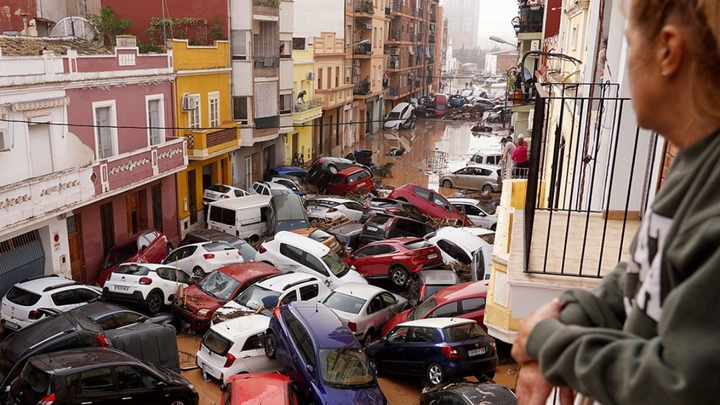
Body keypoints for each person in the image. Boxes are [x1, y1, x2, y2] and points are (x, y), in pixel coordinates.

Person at [511, 1, 720, 405]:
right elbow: (645, 273)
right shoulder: (697, 161)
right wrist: (568, 316)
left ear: (667, 52)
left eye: (627, 45)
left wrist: (551, 343)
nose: (619, 69)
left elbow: (684, 384)